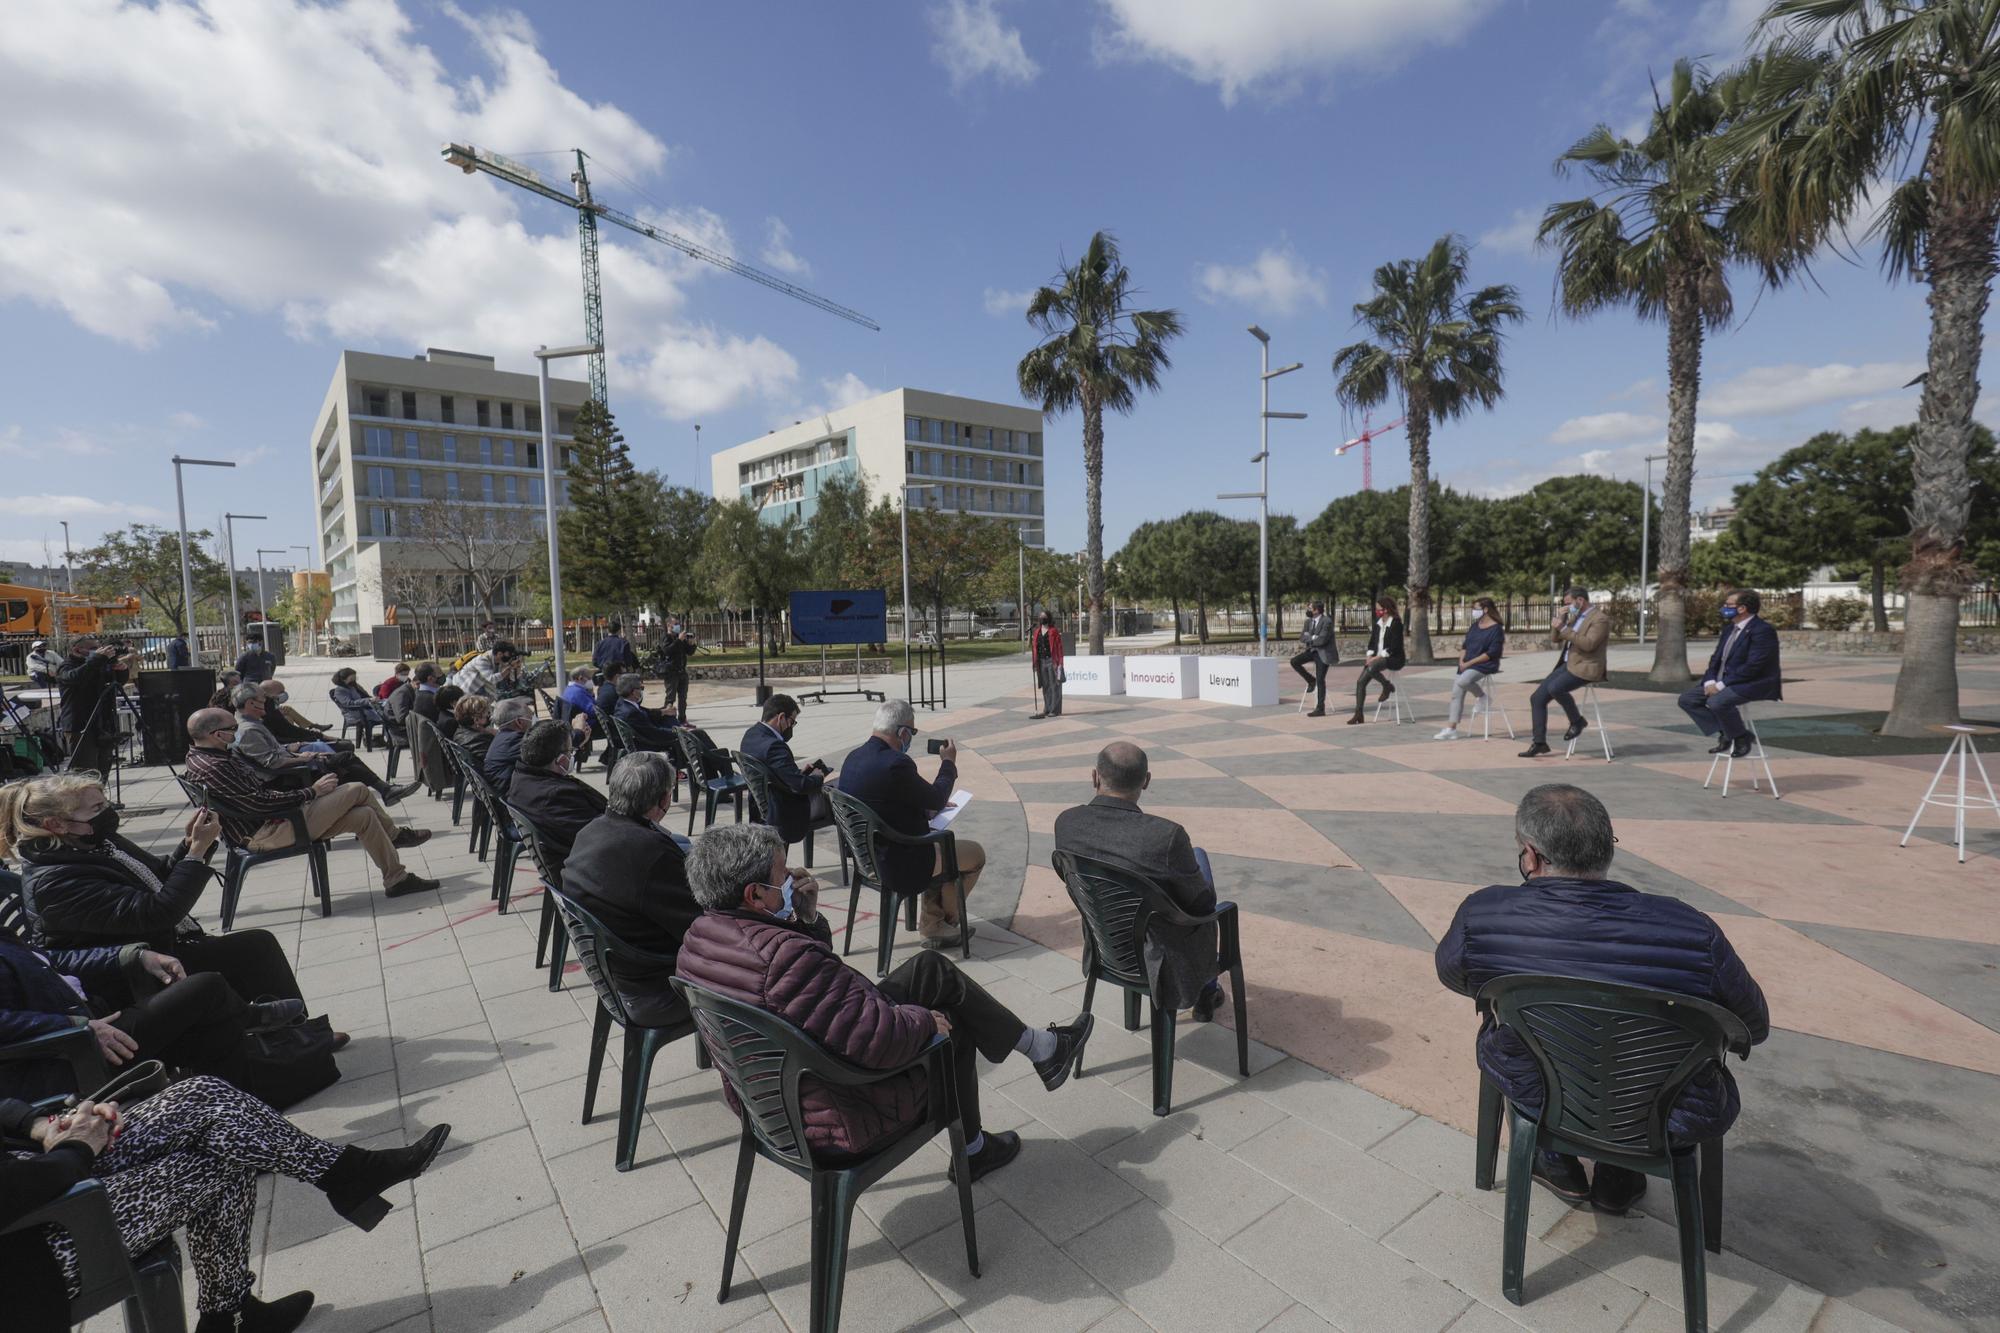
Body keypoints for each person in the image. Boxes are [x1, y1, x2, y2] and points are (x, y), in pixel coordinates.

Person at [676, 822, 1094, 1182]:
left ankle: (1041, 1048)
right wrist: (924, 1022)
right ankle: (975, 1147)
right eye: (782, 875)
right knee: (953, 1025)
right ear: (754, 894)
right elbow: (878, 1039)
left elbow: (803, 995)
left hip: (772, 1101)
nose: (791, 881)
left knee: (930, 968)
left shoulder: (698, 939)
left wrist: (805, 920)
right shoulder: (784, 958)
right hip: (840, 1117)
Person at [1435, 784, 1769, 1213]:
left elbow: (1456, 977)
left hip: (1538, 1091)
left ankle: (1555, 1161)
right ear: (1606, 849)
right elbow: (1751, 1027)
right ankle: (1618, 1175)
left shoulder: (1482, 913)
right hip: (1671, 1113)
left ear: (1531, 856)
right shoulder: (1691, 929)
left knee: (1509, 1029)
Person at [2, 1075, 449, 1333]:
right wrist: (77, 1148)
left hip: (39, 1170)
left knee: (204, 1096)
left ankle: (229, 1315)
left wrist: (40, 1125)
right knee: (224, 1156)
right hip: (35, 1244)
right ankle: (228, 1314)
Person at [1, 776, 334, 1036]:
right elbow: (157, 912)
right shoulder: (54, 881)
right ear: (56, 825)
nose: (107, 814)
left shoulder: (94, 841)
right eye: (95, 809)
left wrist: (191, 845)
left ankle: (298, 1032)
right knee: (247, 952)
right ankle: (288, 1034)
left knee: (255, 945)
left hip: (154, 948)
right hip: (125, 972)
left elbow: (157, 875)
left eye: (104, 804)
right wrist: (195, 854)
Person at [0, 913, 301, 1107]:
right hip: (68, 1053)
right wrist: (71, 1025)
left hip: (95, 1027)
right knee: (206, 988)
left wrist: (136, 955)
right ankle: (251, 1017)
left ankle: (243, 1131)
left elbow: (50, 961)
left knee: (217, 1029)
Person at [182, 708, 439, 899]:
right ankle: (394, 835)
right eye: (233, 729)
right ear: (217, 734)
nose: (237, 733)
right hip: (266, 831)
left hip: (275, 820)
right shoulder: (214, 767)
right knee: (358, 788)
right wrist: (311, 792)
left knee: (364, 816)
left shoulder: (204, 755)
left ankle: (397, 879)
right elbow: (257, 803)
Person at [1052, 742, 1224, 1018]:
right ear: (1146, 781)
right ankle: (1207, 991)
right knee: (1200, 867)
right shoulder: (1165, 837)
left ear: (1094, 776)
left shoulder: (1066, 823)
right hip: (1159, 957)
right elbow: (1202, 904)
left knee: (1191, 862)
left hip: (1105, 944)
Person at [558, 753, 695, 1024]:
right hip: (652, 989)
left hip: (616, 973)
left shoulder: (591, 831)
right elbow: (699, 924)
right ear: (664, 799)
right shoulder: (650, 851)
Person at [837, 699, 983, 946]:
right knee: (974, 854)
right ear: (902, 732)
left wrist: (922, 809)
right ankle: (941, 924)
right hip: (900, 862)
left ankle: (933, 921)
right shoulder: (896, 763)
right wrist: (948, 762)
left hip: (867, 858)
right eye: (912, 732)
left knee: (942, 847)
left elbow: (883, 801)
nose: (911, 737)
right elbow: (937, 798)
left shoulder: (853, 758)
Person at [230, 685, 416, 805]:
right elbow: (272, 763)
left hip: (293, 764)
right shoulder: (248, 730)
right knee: (348, 763)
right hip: (289, 778)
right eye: (263, 701)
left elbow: (271, 754)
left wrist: (290, 748)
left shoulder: (252, 723)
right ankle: (385, 792)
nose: (267, 705)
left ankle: (385, 793)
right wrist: (303, 757)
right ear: (250, 703)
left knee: (348, 764)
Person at [1678, 589, 1782, 759]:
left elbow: (1754, 666)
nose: (1724, 608)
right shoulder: (1729, 629)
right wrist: (1710, 681)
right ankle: (1729, 732)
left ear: (1742, 608)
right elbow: (1716, 659)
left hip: (1753, 682)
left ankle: (1741, 738)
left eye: (1728, 605)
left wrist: (1720, 685)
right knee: (1687, 699)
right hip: (1727, 681)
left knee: (1717, 701)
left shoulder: (1762, 630)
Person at [1519, 586, 1608, 759]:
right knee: (1537, 698)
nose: (1567, 607)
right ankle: (1539, 743)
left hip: (1586, 666)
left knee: (1555, 688)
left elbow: (1589, 644)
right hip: (1567, 664)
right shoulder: (1576, 617)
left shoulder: (1599, 619)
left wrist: (1565, 629)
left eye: (1569, 603)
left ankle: (1577, 721)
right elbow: (1555, 639)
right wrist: (1560, 620)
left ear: (1580, 600)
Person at [505, 720, 608, 868]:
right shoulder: (557, 795)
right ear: (560, 760)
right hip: (585, 868)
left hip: (572, 856)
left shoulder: (521, 777)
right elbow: (600, 835)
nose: (572, 755)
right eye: (570, 751)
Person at [738, 693, 833, 845]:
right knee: (838, 793)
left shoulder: (751, 735)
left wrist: (799, 774)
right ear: (781, 717)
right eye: (792, 722)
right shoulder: (775, 746)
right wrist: (819, 776)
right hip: (784, 813)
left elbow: (778, 773)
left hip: (760, 807)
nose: (791, 727)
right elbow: (800, 786)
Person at [55, 636, 133, 777]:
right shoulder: (67, 666)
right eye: (92, 648)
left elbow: (116, 682)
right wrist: (96, 659)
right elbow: (74, 677)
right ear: (77, 649)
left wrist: (121, 670)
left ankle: (100, 797)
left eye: (98, 647)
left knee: (103, 768)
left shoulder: (97, 665)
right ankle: (85, 798)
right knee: (86, 771)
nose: (97, 651)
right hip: (80, 725)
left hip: (101, 723)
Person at [1436, 598, 1507, 740]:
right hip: (1466, 663)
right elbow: (1465, 646)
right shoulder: (1475, 626)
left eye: (1476, 608)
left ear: (1485, 609)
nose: (1474, 612)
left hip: (1483, 665)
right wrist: (1462, 660)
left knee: (1463, 681)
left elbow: (1492, 653)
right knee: (1456, 694)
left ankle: (1483, 697)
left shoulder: (1496, 629)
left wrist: (1469, 663)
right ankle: (1451, 728)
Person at [1347, 597, 1406, 725]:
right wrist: (1369, 655)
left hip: (1394, 658)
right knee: (1360, 682)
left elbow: (1395, 646)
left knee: (1372, 667)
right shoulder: (1378, 623)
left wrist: (1377, 658)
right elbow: (1372, 643)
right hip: (1376, 659)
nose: (1377, 611)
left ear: (1385, 609)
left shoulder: (1396, 623)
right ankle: (1358, 714)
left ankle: (1386, 685)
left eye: (1379, 609)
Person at [1290, 600, 1337, 716]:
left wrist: (1310, 637)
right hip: (1312, 651)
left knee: (1321, 679)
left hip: (1323, 653)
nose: (1308, 610)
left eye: (1310, 608)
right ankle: (1311, 680)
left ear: (1316, 610)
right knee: (1294, 661)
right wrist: (1313, 637)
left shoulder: (1327, 621)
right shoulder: (1308, 622)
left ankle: (1320, 708)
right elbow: (1302, 637)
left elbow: (1322, 640)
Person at [255, 680, 336, 747]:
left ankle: (311, 726)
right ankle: (311, 726)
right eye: (281, 692)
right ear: (268, 694)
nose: (284, 694)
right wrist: (317, 736)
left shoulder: (267, 704)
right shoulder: (266, 709)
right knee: (287, 717)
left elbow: (288, 729)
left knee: (288, 713)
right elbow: (289, 730)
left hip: (284, 739)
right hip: (284, 744)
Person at [482, 696, 534, 791]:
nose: (533, 719)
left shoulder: (503, 736)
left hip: (504, 787)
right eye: (531, 715)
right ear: (519, 722)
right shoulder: (514, 740)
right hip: (511, 794)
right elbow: (545, 756)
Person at [329, 667, 387, 750]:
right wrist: (368, 700)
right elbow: (349, 703)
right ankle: (393, 740)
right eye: (352, 678)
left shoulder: (353, 686)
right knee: (387, 716)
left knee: (388, 710)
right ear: (344, 679)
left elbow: (365, 696)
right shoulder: (340, 690)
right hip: (355, 713)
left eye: (355, 678)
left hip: (365, 709)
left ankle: (390, 739)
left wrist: (373, 699)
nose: (354, 680)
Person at [654, 623, 697, 722]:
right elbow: (667, 651)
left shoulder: (680, 638)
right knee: (670, 698)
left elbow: (689, 652)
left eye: (678, 624)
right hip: (671, 673)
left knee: (683, 697)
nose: (678, 626)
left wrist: (692, 643)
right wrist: (679, 640)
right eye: (675, 624)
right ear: (669, 625)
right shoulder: (666, 637)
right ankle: (667, 720)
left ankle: (682, 719)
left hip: (682, 672)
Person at [450, 641, 520, 699]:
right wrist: (510, 667)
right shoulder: (482, 660)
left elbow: (512, 678)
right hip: (463, 686)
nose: (509, 657)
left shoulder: (498, 660)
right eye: (508, 655)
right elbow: (492, 679)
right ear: (499, 654)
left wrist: (515, 667)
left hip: (477, 686)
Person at [1030, 611, 1066, 719]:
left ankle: (1055, 709)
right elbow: (1035, 648)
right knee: (1045, 686)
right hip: (1041, 662)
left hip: (1052, 661)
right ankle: (1047, 708)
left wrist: (1060, 663)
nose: (1042, 618)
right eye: (1040, 617)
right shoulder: (1036, 632)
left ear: (1048, 618)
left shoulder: (1053, 631)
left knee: (1054, 685)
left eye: (1044, 617)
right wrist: (1034, 663)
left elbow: (1059, 648)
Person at [384, 663, 442, 729]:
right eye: (418, 684)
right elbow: (401, 718)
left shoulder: (417, 692)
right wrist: (419, 713)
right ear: (416, 683)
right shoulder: (402, 693)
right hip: (399, 730)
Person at [450, 694, 498, 768]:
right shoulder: (481, 738)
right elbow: (499, 759)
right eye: (487, 713)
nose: (490, 716)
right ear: (476, 720)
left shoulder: (459, 731)